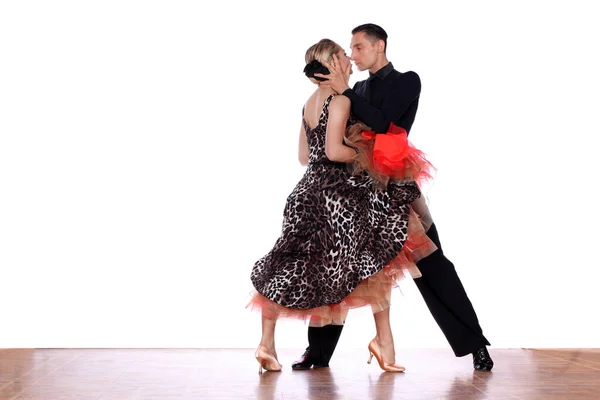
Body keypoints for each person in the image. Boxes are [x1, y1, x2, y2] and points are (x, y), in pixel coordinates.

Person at [291, 23, 494, 372]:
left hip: (397, 186)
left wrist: (346, 93)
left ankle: (476, 346)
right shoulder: (356, 88)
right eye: (349, 50)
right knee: (340, 262)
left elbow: (383, 124)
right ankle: (318, 353)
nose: (352, 54)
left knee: (432, 265)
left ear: (378, 45)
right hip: (359, 188)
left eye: (357, 48)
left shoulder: (407, 80)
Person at [247, 38, 436, 374]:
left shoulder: (308, 102)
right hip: (336, 196)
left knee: (286, 265)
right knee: (375, 254)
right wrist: (363, 153)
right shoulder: (339, 100)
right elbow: (334, 152)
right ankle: (384, 342)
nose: (350, 59)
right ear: (332, 63)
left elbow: (306, 156)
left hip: (305, 194)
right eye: (344, 55)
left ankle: (266, 342)